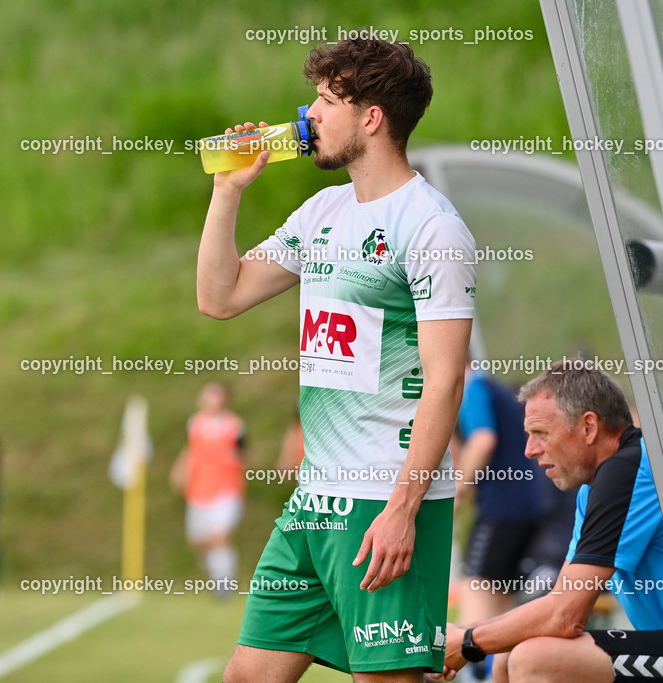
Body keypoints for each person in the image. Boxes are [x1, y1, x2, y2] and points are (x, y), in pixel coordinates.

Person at [196, 38, 476, 682]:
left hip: (384, 502)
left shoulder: (431, 226)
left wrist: (403, 509)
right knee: (245, 675)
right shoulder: (323, 210)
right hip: (315, 502)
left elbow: (446, 380)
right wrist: (227, 191)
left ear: (371, 117)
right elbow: (220, 296)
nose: (308, 113)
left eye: (327, 100)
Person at [441, 362, 663, 683]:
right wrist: (480, 642)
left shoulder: (630, 470)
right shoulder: (608, 477)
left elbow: (565, 615)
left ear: (588, 427)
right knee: (509, 656)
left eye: (540, 433)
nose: (530, 450)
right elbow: (562, 598)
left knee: (535, 660)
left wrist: (469, 640)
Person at [453, 366, 547, 632]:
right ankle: (503, 670)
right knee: (501, 611)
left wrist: (457, 493)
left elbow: (483, 440)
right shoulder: (495, 389)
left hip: (502, 510)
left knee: (475, 590)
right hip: (527, 508)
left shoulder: (473, 388)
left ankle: (469, 670)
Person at [169, 382, 247, 596]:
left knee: (218, 536)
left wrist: (236, 462)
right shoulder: (195, 423)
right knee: (198, 541)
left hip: (226, 489)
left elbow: (244, 454)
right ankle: (218, 569)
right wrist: (179, 470)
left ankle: (224, 586)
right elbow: (190, 450)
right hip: (199, 491)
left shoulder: (234, 425)